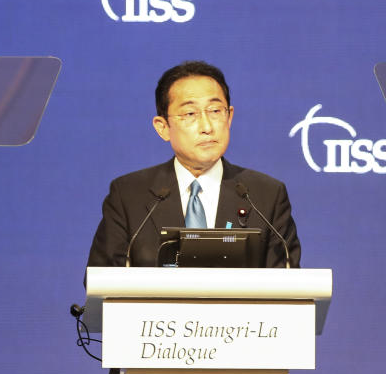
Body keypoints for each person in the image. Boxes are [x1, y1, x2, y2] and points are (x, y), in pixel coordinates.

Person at [86, 60, 301, 270]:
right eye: (190, 114)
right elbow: (101, 282)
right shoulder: (129, 195)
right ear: (163, 127)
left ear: (229, 117)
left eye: (215, 111)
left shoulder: (266, 196)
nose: (207, 126)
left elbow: (288, 288)